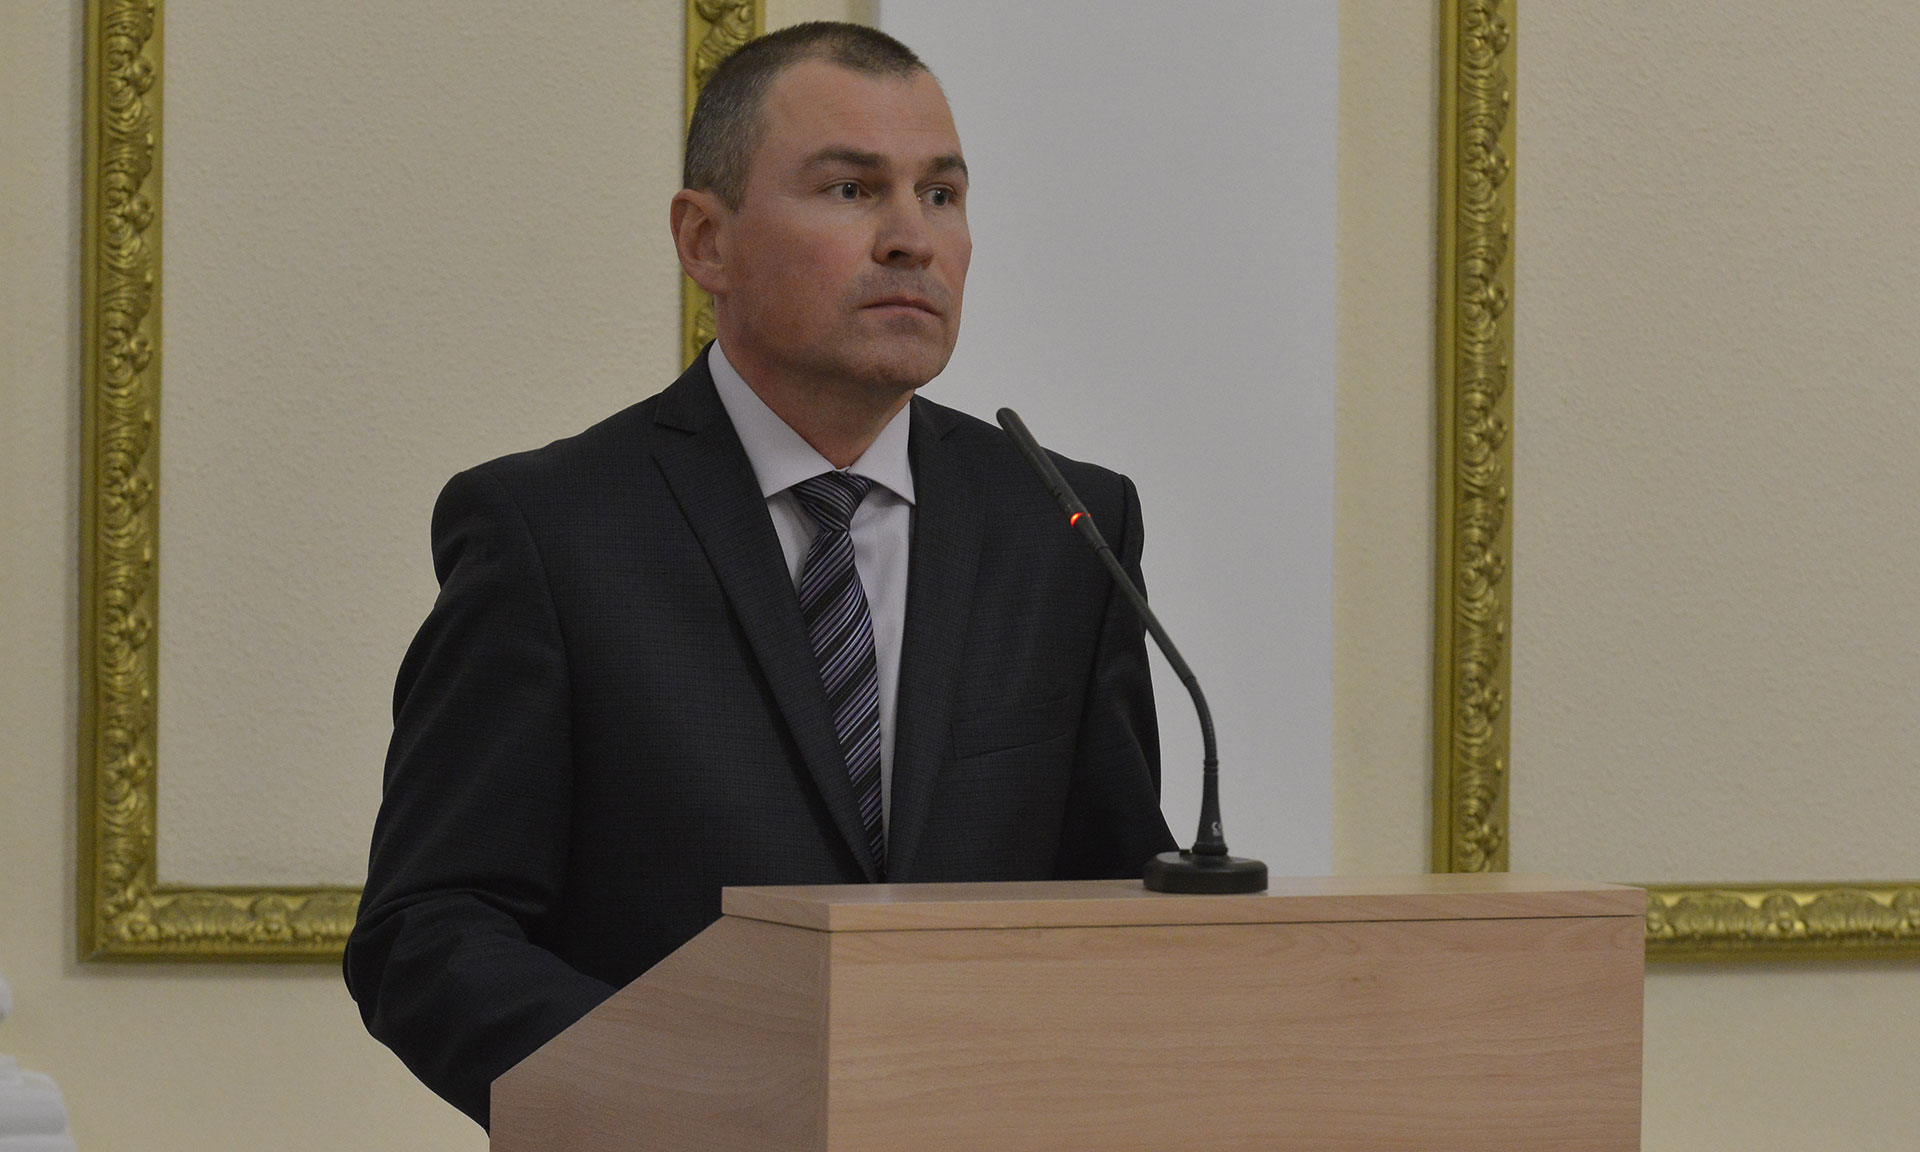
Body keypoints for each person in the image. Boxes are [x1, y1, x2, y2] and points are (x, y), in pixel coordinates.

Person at [344, 21, 1176, 1129]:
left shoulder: (1062, 525)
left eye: (940, 194)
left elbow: (1120, 900)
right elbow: (431, 929)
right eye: (850, 190)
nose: (910, 239)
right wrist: (686, 1104)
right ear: (706, 242)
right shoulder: (551, 532)